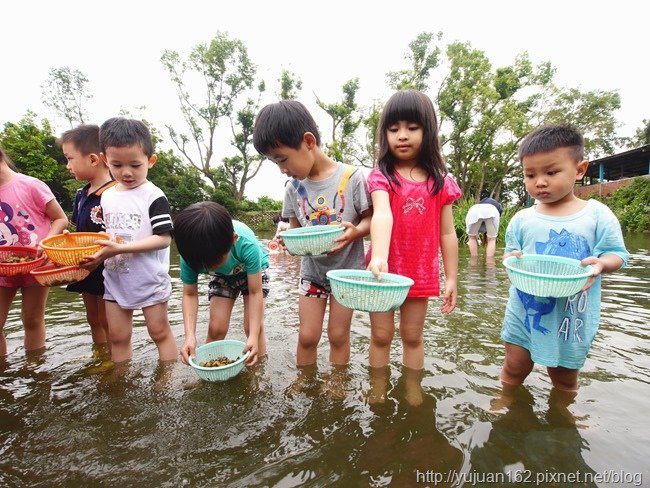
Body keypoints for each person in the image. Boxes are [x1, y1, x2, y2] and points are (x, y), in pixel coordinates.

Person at [498, 124, 628, 405]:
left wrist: (601, 264)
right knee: (514, 366)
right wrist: (510, 260)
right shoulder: (522, 219)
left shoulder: (597, 215)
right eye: (530, 175)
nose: (540, 182)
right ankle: (505, 399)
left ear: (579, 169)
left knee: (565, 377)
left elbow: (618, 254)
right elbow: (511, 254)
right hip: (526, 309)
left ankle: (563, 412)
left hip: (572, 318)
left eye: (551, 172)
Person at [253, 100, 372, 368]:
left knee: (338, 335)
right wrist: (287, 241)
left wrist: (354, 233)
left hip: (346, 274)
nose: (282, 169)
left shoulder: (352, 177)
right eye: (274, 162)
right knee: (307, 336)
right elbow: (295, 231)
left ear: (308, 142)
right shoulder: (293, 189)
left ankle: (337, 383)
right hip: (312, 273)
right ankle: (303, 380)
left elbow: (370, 219)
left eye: (282, 159)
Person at [366, 90, 461, 405]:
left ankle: (412, 391)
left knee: (412, 336)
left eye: (412, 127)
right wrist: (378, 256)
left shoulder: (439, 181)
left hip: (420, 273)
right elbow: (382, 213)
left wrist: (451, 278)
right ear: (385, 135)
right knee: (381, 336)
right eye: (393, 130)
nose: (402, 136)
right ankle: (378, 389)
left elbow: (447, 234)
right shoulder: (383, 176)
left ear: (428, 131)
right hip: (384, 271)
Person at [81, 118, 177, 364]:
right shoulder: (107, 196)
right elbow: (111, 234)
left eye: (135, 164)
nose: (126, 172)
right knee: (118, 336)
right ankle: (121, 382)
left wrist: (119, 248)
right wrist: (98, 251)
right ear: (104, 159)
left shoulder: (154, 196)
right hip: (115, 278)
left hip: (148, 279)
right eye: (117, 164)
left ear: (150, 161)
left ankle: (168, 379)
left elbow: (164, 239)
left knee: (159, 332)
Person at [174, 201, 269, 367]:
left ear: (233, 240)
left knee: (252, 327)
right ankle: (208, 371)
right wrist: (190, 335)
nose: (208, 266)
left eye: (215, 261)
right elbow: (189, 294)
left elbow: (255, 292)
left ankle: (258, 372)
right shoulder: (190, 254)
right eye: (203, 264)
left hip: (250, 274)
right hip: (222, 277)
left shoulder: (246, 245)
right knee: (216, 327)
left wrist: (253, 335)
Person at [0, 147, 68, 357]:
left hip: (36, 265)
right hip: (2, 268)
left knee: (33, 319)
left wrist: (47, 241)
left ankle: (36, 370)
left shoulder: (30, 185)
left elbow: (60, 218)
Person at [58, 124, 116, 348]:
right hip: (85, 264)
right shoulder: (81, 194)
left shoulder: (115, 192)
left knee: (106, 319)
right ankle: (100, 355)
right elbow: (79, 231)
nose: (67, 166)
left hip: (106, 265)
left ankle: (115, 357)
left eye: (70, 158)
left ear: (93, 159)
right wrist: (67, 240)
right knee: (93, 318)